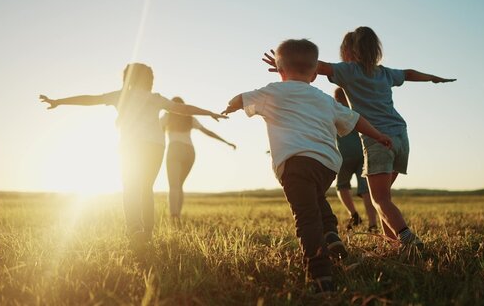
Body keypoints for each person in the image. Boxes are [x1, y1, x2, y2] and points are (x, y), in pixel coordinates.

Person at [224, 39, 392, 293]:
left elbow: (241, 98)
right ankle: (331, 235)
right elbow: (355, 119)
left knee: (305, 217)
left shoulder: (272, 92)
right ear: (314, 74)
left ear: (280, 70)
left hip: (294, 163)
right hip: (327, 165)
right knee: (314, 199)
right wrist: (378, 135)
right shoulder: (324, 98)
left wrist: (229, 107)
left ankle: (320, 273)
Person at [263, 27, 455, 248]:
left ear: (348, 50)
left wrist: (284, 65)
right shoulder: (384, 72)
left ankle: (407, 238)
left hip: (377, 139)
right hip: (401, 136)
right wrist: (433, 78)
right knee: (385, 198)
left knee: (379, 200)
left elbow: (313, 66)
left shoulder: (349, 71)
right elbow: (409, 73)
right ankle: (391, 246)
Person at [39, 63, 226, 247]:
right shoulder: (155, 98)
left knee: (131, 187)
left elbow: (91, 99)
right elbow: (183, 109)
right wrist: (209, 113)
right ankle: (147, 233)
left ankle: (135, 230)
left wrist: (59, 101)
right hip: (156, 146)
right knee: (146, 188)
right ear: (144, 79)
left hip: (133, 146)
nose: (152, 81)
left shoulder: (121, 96)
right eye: (150, 77)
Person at [161, 96, 236, 225]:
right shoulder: (190, 118)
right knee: (179, 186)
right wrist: (227, 142)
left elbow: (156, 131)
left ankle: (174, 217)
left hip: (175, 149)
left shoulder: (167, 117)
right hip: (189, 152)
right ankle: (177, 216)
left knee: (174, 186)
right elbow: (208, 132)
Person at [333, 87, 378, 232]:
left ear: (337, 98)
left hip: (343, 155)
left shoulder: (335, 111)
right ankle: (372, 224)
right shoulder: (358, 109)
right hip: (362, 154)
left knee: (342, 186)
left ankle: (354, 215)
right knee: (366, 190)